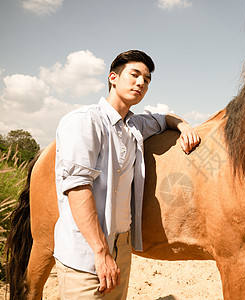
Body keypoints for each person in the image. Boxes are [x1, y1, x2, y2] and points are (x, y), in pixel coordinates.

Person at [53, 50, 200, 299]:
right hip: (87, 253)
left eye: (146, 79)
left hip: (120, 249)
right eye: (134, 75)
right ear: (113, 77)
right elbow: (77, 189)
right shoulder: (84, 121)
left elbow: (165, 119)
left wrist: (184, 125)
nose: (141, 82)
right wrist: (101, 253)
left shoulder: (134, 125)